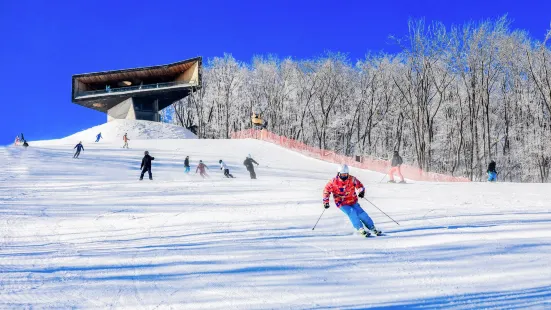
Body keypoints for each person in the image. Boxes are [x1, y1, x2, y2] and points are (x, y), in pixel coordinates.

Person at [323, 164, 382, 237]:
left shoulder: (352, 179)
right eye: (342, 174)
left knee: (361, 213)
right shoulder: (333, 182)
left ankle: (372, 227)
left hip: (352, 200)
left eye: (346, 174)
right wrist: (326, 202)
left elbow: (360, 186)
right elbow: (326, 191)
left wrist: (361, 192)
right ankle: (360, 228)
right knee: (352, 212)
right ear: (338, 173)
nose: (344, 176)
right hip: (341, 202)